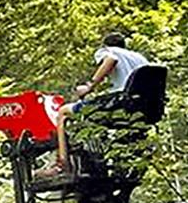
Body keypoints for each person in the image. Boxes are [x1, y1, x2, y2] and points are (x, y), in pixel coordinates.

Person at [38, 37, 151, 178]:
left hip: (121, 105)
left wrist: (89, 86)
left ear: (105, 45)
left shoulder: (108, 51)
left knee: (63, 112)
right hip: (145, 108)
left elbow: (111, 59)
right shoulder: (139, 57)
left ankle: (62, 166)